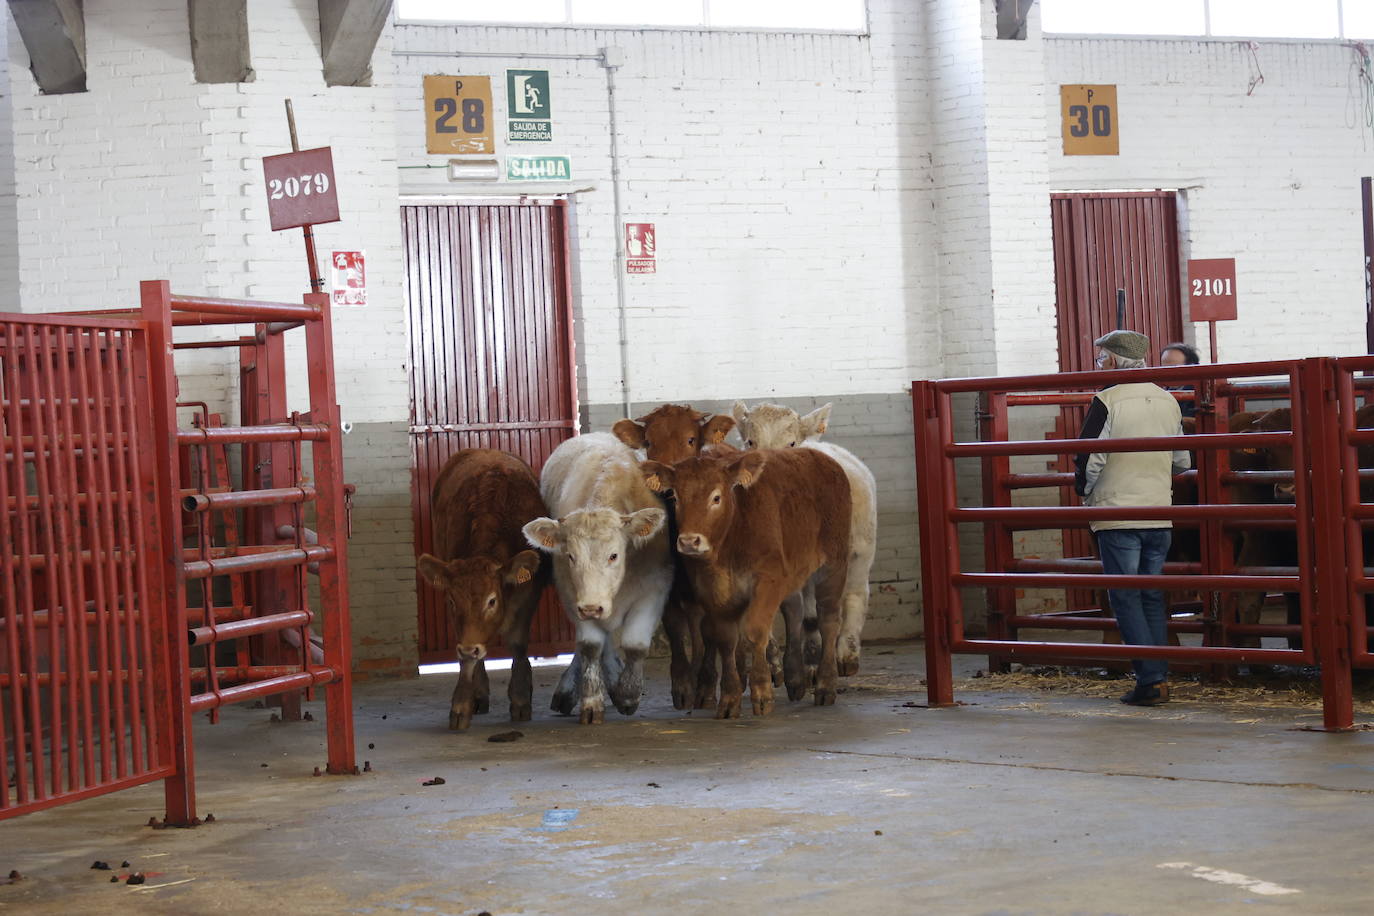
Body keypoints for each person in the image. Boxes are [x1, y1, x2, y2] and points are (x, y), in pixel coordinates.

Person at [1076, 330, 1192, 706]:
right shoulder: (1168, 400)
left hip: (1117, 512)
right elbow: (1181, 460)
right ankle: (1158, 677)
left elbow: (1089, 459)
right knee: (1152, 595)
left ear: (1112, 359)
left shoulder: (1106, 400)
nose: (1098, 364)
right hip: (1159, 512)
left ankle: (1151, 680)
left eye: (1100, 357)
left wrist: (1084, 493)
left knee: (1125, 597)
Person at [1159, 342, 1201, 417]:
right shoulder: (1160, 392)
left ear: (1190, 367)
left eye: (1174, 367)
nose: (1168, 373)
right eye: (1164, 368)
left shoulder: (1201, 393)